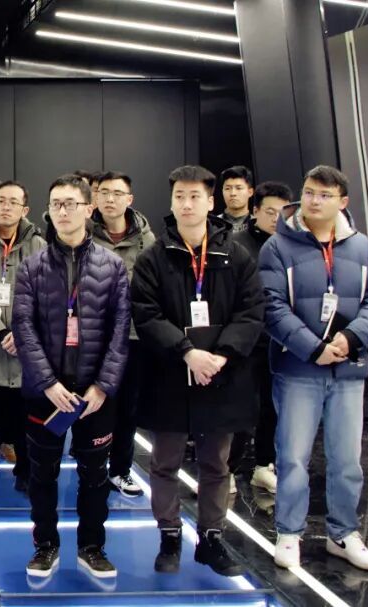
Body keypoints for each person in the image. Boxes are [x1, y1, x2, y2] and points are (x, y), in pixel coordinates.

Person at [131, 165, 264, 577]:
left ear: (210, 201)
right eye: (179, 197)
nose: (186, 204)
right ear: (171, 202)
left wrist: (221, 356)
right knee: (164, 463)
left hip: (221, 376)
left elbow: (251, 311)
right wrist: (187, 352)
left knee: (216, 465)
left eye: (194, 196)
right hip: (170, 374)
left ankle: (211, 538)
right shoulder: (154, 257)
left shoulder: (236, 255)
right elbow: (146, 314)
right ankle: (169, 535)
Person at [261, 166, 368, 571]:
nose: (314, 201)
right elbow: (270, 306)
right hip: (298, 369)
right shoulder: (278, 247)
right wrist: (313, 348)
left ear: (343, 202)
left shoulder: (361, 248)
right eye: (309, 192)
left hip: (348, 369)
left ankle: (343, 533)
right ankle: (288, 532)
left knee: (347, 460)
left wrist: (350, 338)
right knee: (293, 457)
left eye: (324, 195)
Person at [12, 175, 131, 579]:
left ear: (88, 208)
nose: (62, 211)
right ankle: (45, 545)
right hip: (45, 393)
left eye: (70, 203)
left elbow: (120, 331)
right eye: (55, 204)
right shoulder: (31, 267)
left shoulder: (112, 266)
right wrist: (48, 383)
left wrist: (103, 386)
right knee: (41, 474)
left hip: (95, 394)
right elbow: (23, 327)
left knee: (95, 476)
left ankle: (91, 547)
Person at [0, 180, 45, 495]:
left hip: (24, 348)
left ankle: (25, 472)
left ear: (24, 209)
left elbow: (46, 297)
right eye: (1, 200)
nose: (6, 207)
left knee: (24, 420)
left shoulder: (39, 246)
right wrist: (0, 330)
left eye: (13, 202)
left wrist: (21, 332)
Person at [89, 171, 156, 498]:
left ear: (129, 199)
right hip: (92, 337)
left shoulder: (148, 240)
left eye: (117, 193)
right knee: (94, 405)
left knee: (128, 409)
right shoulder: (82, 234)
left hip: (132, 337)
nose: (110, 199)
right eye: (104, 192)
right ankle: (91, 466)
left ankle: (120, 470)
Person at [227, 181, 292, 494]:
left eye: (282, 213)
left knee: (272, 407)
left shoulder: (292, 246)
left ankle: (264, 466)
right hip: (245, 340)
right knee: (241, 407)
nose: (276, 218)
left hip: (280, 340)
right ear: (255, 211)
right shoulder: (236, 245)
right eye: (270, 212)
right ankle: (227, 469)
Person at [217, 166, 254, 233]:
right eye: (227, 188)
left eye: (238, 188)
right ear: (222, 192)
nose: (233, 193)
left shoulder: (259, 226)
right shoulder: (212, 225)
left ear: (250, 192)